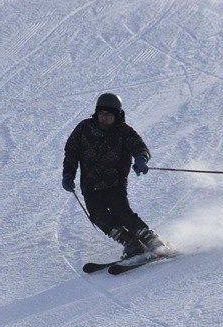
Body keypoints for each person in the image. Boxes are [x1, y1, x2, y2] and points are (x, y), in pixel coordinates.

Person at [62, 92, 166, 259]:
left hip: (114, 181)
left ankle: (151, 240)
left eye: (108, 115)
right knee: (98, 216)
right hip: (89, 184)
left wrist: (141, 159)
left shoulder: (124, 132)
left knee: (121, 211)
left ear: (117, 115)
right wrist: (68, 174)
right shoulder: (84, 128)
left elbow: (139, 147)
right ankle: (130, 243)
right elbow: (71, 153)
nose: (104, 118)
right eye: (101, 113)